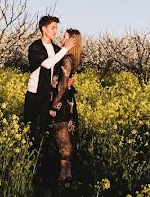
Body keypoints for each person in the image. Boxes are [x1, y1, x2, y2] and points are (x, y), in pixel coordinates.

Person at [23, 16, 75, 150]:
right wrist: (65, 49)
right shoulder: (35, 47)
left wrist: (69, 80)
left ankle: (46, 162)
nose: (55, 31)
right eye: (53, 27)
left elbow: (62, 69)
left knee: (48, 131)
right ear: (43, 28)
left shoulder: (56, 49)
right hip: (35, 94)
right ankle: (32, 160)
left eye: (56, 28)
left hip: (50, 95)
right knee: (33, 130)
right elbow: (46, 64)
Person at [48, 28, 82, 184]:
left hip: (62, 103)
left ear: (72, 41)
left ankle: (63, 177)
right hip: (69, 102)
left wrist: (54, 105)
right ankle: (68, 175)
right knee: (67, 140)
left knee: (63, 141)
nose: (62, 38)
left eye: (65, 37)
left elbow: (61, 86)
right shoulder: (73, 58)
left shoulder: (66, 59)